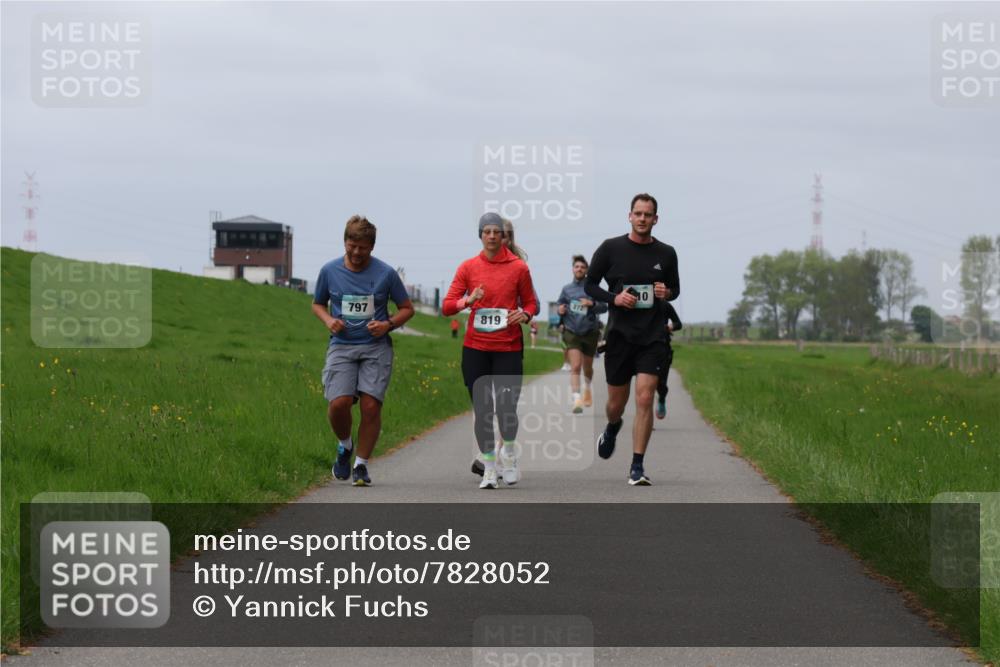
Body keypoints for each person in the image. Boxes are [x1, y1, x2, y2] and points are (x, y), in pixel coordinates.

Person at [584, 193, 680, 486]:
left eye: (647, 214)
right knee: (616, 403)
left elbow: (675, 289)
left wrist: (667, 293)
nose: (642, 219)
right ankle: (613, 427)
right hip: (620, 337)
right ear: (629, 216)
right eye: (637, 213)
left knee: (645, 397)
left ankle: (637, 466)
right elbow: (590, 284)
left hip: (652, 337)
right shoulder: (610, 248)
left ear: (655, 219)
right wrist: (615, 298)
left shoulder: (666, 253)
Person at [312, 215, 414, 487]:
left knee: (370, 406)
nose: (357, 253)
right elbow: (317, 303)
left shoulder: (386, 274)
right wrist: (328, 320)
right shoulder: (329, 271)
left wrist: (387, 325)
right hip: (342, 346)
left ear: (372, 247)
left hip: (375, 347)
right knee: (339, 403)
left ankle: (361, 465)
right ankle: (345, 445)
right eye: (352, 245)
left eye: (363, 247)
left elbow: (407, 308)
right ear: (345, 242)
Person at [443, 212, 538, 489]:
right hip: (476, 348)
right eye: (487, 231)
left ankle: (508, 454)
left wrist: (525, 314)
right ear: (481, 235)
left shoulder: (519, 268)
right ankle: (488, 468)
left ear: (504, 236)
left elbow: (531, 303)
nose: (492, 236)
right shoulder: (468, 267)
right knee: (483, 411)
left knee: (506, 410)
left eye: (497, 231)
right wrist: (468, 300)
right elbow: (447, 305)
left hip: (508, 348)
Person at [556, 255, 607, 413]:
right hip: (572, 331)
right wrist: (560, 310)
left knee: (588, 368)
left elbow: (604, 307)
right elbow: (560, 304)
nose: (579, 269)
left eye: (582, 267)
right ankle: (576, 398)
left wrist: (591, 304)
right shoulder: (566, 289)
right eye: (577, 267)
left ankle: (588, 388)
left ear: (587, 270)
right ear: (573, 269)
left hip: (590, 331)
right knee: (575, 366)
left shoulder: (592, 287)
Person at [656, 302, 682, 419]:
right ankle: (645, 417)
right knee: (644, 387)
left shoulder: (665, 305)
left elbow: (678, 323)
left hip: (662, 347)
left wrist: (669, 327)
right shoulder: (638, 302)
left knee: (661, 383)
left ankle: (661, 398)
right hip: (640, 348)